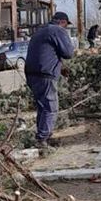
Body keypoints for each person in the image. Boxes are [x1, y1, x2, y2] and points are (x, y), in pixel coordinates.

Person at [24, 11, 75, 147]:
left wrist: (60, 67)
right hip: (45, 74)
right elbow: (68, 53)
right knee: (50, 107)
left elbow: (45, 53)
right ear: (61, 22)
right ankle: (42, 139)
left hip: (31, 74)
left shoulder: (40, 32)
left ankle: (43, 135)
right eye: (65, 24)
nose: (65, 28)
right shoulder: (57, 30)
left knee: (42, 107)